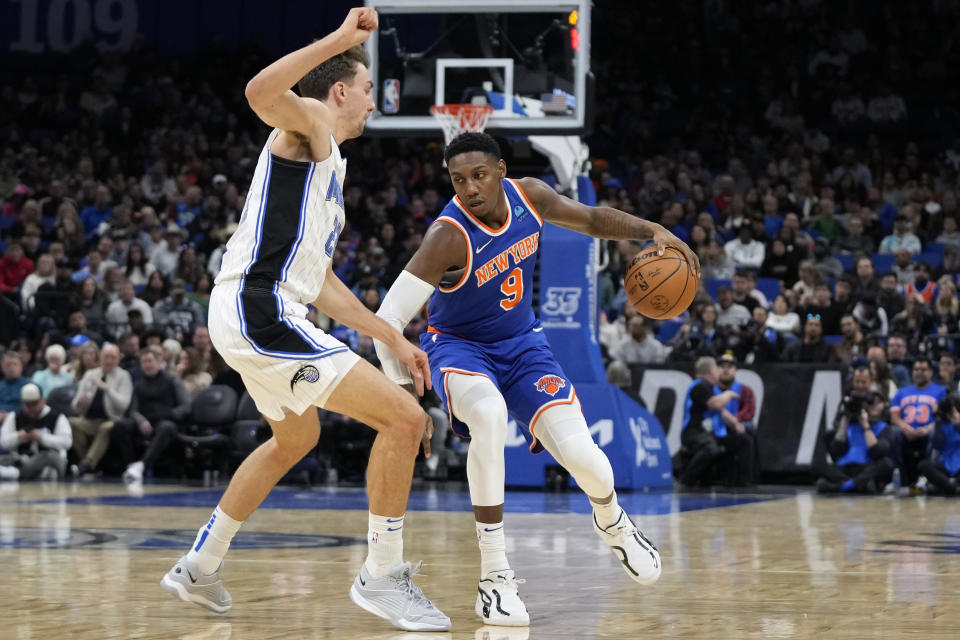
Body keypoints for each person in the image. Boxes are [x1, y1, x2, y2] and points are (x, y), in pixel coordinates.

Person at [159, 9, 450, 632]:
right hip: (258, 306)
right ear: (341, 89)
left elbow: (322, 285)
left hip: (259, 308)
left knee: (297, 439)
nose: (375, 102)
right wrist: (343, 41)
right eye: (369, 89)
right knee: (404, 418)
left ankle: (200, 565)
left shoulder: (331, 169)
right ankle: (382, 575)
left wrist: (391, 336)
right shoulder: (312, 122)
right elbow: (258, 93)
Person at [374, 132, 687, 625]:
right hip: (458, 348)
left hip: (524, 346)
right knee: (490, 415)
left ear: (500, 169)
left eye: (479, 175)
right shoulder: (447, 236)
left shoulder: (530, 196)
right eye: (459, 180)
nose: (470, 188)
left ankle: (613, 523)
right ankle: (494, 577)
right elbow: (386, 321)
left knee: (591, 465)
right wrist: (400, 404)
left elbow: (588, 219)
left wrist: (651, 230)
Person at [113, 347, 191, 484]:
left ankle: (142, 465)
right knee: (120, 425)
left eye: (150, 361)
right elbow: (133, 410)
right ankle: (130, 465)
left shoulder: (172, 380)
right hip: (146, 423)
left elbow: (185, 407)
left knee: (166, 427)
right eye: (144, 362)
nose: (147, 365)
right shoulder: (139, 384)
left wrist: (169, 414)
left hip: (167, 421)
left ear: (159, 361)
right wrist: (141, 421)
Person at [676, 356, 743, 486]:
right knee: (710, 448)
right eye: (717, 368)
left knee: (731, 442)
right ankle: (686, 480)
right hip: (692, 432)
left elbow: (721, 411)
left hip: (704, 431)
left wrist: (735, 424)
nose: (720, 372)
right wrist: (728, 394)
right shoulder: (699, 385)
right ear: (711, 371)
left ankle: (718, 481)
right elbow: (716, 404)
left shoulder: (708, 387)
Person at [68, 343, 132, 477]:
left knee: (105, 428)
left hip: (113, 420)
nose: (109, 360)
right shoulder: (90, 374)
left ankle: (86, 465)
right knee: (70, 422)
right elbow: (74, 405)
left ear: (118, 359)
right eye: (106, 356)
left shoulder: (124, 376)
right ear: (101, 358)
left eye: (112, 357)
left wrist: (107, 389)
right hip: (89, 420)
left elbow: (123, 405)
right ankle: (87, 462)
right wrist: (80, 403)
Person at [816, 390, 894, 494]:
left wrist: (865, 426)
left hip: (866, 466)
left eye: (878, 402)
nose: (874, 406)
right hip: (845, 467)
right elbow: (836, 450)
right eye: (871, 403)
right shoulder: (849, 425)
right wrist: (845, 418)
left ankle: (841, 486)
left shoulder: (883, 427)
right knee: (816, 465)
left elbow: (876, 452)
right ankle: (859, 485)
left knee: (886, 464)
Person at [889, 357, 947, 489]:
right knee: (892, 432)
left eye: (923, 369)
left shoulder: (941, 391)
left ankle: (928, 476)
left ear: (931, 372)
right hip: (906, 431)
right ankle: (900, 475)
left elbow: (943, 417)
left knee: (936, 432)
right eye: (916, 369)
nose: (919, 372)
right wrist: (905, 427)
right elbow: (894, 417)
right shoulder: (901, 392)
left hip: (928, 430)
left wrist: (927, 429)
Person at [0, 383, 73, 481]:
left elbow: (67, 442)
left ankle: (14, 473)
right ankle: (23, 472)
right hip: (21, 459)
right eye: (27, 405)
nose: (31, 408)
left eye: (34, 404)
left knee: (49, 457)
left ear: (43, 401)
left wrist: (42, 438)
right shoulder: (14, 417)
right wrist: (18, 437)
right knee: (10, 459)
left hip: (50, 459)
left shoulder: (57, 416)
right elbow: (3, 442)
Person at [917, 396, 960, 495]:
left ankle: (945, 486)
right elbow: (937, 445)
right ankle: (950, 486)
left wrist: (958, 425)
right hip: (946, 464)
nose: (954, 414)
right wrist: (938, 423)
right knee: (923, 465)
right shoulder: (942, 424)